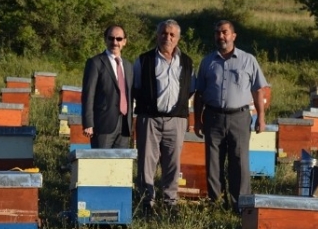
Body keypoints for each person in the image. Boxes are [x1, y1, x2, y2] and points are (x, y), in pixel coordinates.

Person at [193, 20, 268, 214]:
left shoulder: (248, 60)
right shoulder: (207, 62)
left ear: (233, 36)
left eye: (225, 32)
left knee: (239, 163)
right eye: (217, 33)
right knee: (213, 163)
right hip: (212, 117)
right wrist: (198, 120)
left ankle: (240, 207)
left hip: (240, 117)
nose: (221, 36)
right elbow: (199, 93)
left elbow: (258, 90)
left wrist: (261, 117)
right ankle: (217, 204)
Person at [133, 19, 194, 211]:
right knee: (146, 162)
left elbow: (190, 90)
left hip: (176, 120)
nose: (167, 37)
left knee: (173, 163)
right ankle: (146, 201)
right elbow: (135, 87)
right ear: (157, 35)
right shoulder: (144, 59)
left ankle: (170, 202)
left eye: (172, 35)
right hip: (149, 119)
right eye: (164, 33)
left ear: (178, 38)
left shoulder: (187, 61)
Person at [81, 25, 133, 149]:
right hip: (103, 124)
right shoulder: (95, 62)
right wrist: (88, 123)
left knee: (120, 166)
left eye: (119, 39)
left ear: (124, 42)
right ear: (105, 39)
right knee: (101, 165)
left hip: (124, 124)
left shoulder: (128, 66)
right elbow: (88, 94)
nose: (115, 42)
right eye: (111, 38)